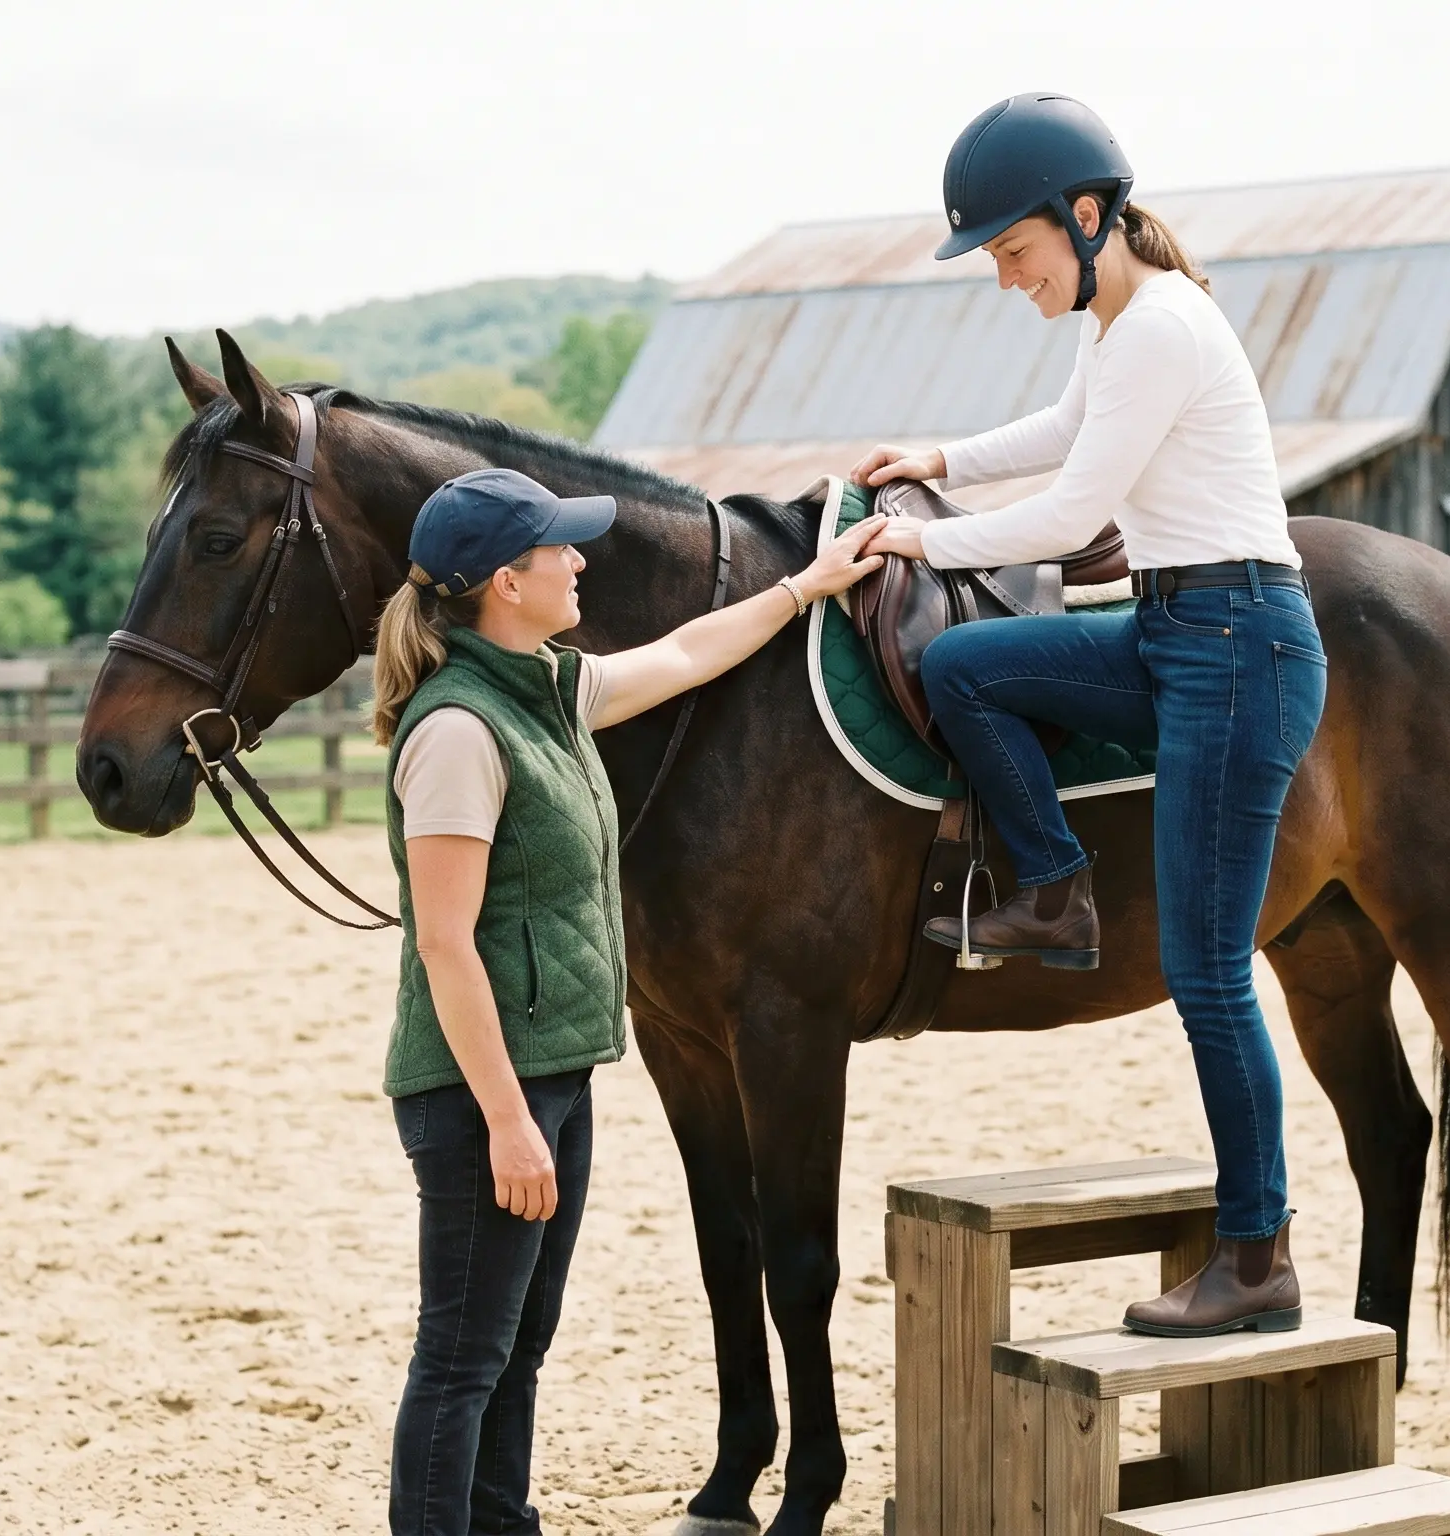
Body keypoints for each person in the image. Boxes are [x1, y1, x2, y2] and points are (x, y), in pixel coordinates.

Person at [853, 94, 1325, 1338]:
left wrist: (907, 531)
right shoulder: (1115, 324)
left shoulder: (1163, 325)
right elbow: (1065, 431)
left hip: (1241, 646)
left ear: (1084, 214)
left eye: (1013, 253)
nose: (1006, 279)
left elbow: (1069, 515)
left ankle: (1256, 1259)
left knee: (1208, 973)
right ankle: (1052, 884)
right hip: (1176, 630)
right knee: (969, 670)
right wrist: (938, 462)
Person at [372, 467, 882, 1535]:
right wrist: (510, 1125)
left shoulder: (549, 691)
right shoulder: (460, 733)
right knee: (462, 1356)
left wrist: (806, 588)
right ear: (505, 582)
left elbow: (688, 653)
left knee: (518, 1342)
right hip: (482, 1096)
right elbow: (444, 945)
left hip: (551, 1072)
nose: (581, 563)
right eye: (560, 550)